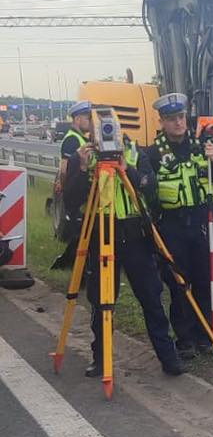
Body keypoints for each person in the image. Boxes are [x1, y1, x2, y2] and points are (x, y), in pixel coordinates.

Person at [64, 132, 185, 377]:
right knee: (101, 301)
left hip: (134, 236)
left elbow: (149, 186)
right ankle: (101, 358)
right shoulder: (85, 157)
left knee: (151, 297)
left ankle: (169, 357)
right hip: (101, 233)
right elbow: (71, 199)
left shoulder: (134, 153)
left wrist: (126, 168)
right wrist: (83, 168)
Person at [146, 93, 213, 359]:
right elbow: (147, 191)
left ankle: (205, 337)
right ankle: (184, 340)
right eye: (172, 118)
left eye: (181, 117)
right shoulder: (153, 153)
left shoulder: (202, 146)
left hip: (200, 225)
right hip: (171, 226)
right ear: (162, 122)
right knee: (179, 284)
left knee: (204, 281)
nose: (178, 123)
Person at [51, 101, 93, 270]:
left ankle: (70, 264)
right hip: (75, 190)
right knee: (80, 231)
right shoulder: (72, 140)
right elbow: (64, 169)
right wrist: (64, 186)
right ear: (77, 119)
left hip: (81, 188)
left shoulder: (82, 138)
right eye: (87, 118)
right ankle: (69, 264)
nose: (90, 121)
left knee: (82, 232)